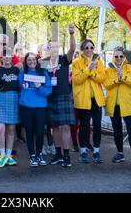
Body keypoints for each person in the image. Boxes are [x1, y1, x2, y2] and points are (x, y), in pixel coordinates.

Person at [40, 25, 76, 168]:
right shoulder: (43, 62)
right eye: (50, 46)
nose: (53, 49)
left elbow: (73, 49)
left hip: (63, 96)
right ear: (48, 49)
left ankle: (66, 155)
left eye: (55, 46)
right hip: (49, 97)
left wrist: (72, 34)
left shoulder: (64, 59)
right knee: (53, 127)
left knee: (65, 127)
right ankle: (58, 154)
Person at [104, 47, 131, 165]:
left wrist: (123, 76)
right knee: (117, 131)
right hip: (114, 105)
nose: (118, 58)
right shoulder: (108, 70)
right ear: (113, 57)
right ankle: (120, 153)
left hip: (128, 105)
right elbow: (107, 85)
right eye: (116, 56)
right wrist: (117, 80)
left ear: (124, 57)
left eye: (120, 56)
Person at [72, 39, 106, 164]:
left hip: (96, 99)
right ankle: (83, 151)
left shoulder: (99, 61)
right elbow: (77, 80)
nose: (89, 50)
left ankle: (96, 151)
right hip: (83, 99)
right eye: (87, 48)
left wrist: (91, 73)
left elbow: (102, 78)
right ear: (82, 49)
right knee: (84, 126)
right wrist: (88, 69)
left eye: (91, 47)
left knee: (97, 126)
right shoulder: (76, 62)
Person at [19, 53, 52, 167]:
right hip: (26, 106)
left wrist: (39, 87)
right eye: (29, 60)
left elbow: (48, 91)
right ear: (26, 62)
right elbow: (21, 87)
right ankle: (32, 156)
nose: (32, 61)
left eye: (33, 59)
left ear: (37, 61)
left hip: (40, 107)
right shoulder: (22, 73)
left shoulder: (43, 73)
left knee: (39, 132)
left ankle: (39, 154)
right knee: (29, 132)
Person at [0, 47, 20, 167]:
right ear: (1, 58)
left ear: (11, 56)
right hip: (0, 99)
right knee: (0, 129)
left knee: (11, 130)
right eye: (4, 55)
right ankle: (2, 155)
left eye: (9, 55)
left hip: (13, 99)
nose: (7, 57)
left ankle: (8, 155)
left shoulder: (17, 70)